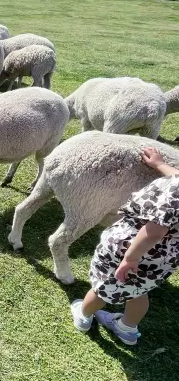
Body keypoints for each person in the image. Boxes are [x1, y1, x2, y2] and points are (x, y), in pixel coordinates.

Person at [71, 147, 179, 346]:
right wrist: (160, 165)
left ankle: (84, 315)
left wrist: (130, 258)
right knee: (139, 290)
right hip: (164, 258)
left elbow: (155, 231)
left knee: (104, 286)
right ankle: (127, 328)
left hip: (132, 248)